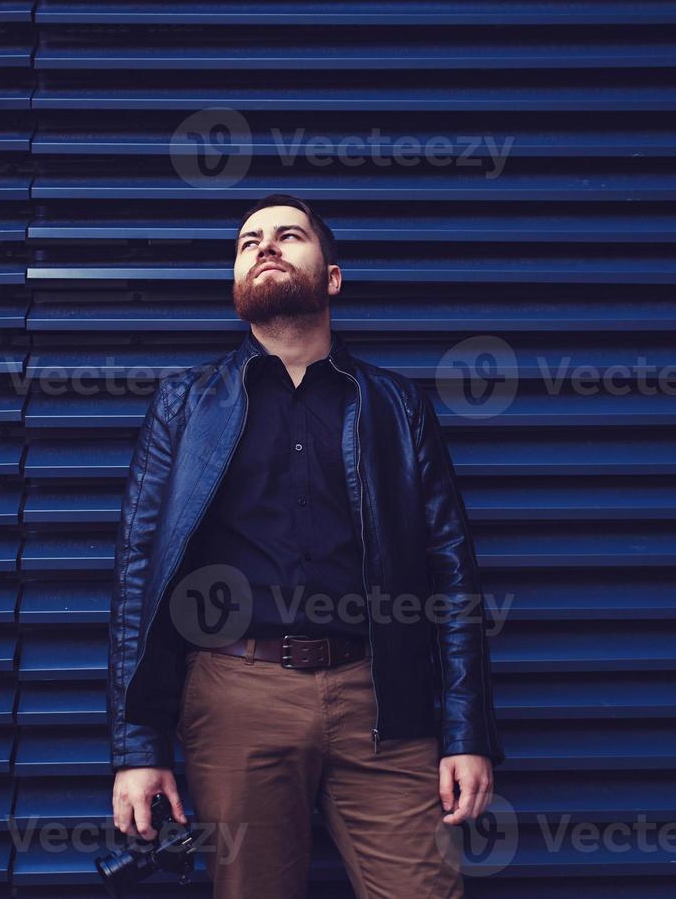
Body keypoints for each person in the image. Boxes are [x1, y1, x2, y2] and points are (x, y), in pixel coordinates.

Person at [107, 193, 505, 897]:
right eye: (247, 241)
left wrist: (467, 731)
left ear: (331, 277)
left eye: (288, 235)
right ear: (235, 280)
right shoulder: (183, 403)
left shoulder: (395, 404)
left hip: (383, 698)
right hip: (234, 694)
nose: (265, 247)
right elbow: (141, 575)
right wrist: (138, 747)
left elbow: (450, 567)